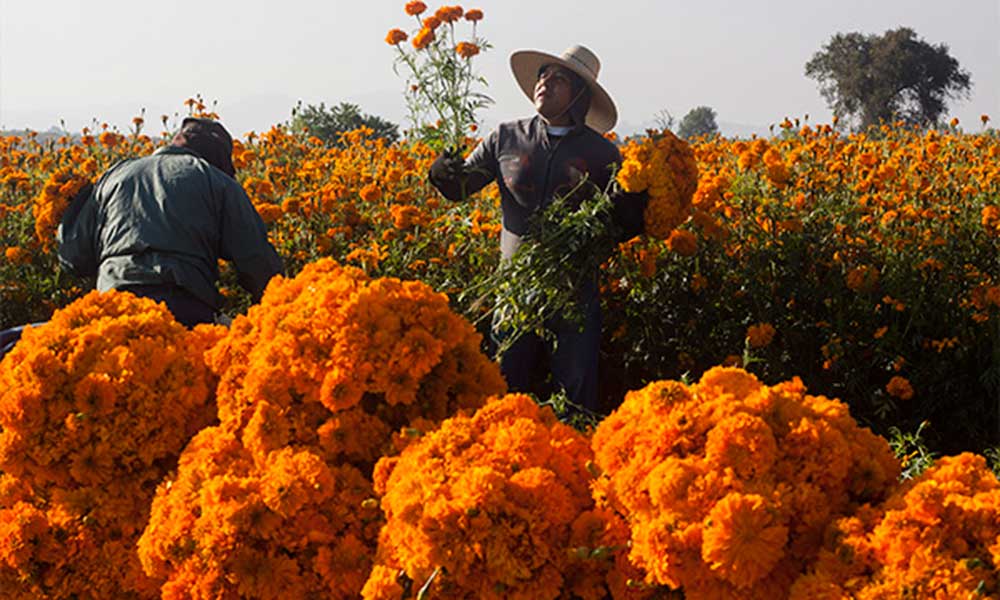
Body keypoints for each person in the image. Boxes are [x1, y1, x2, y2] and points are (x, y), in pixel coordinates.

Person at [428, 45, 646, 414]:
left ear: (579, 94)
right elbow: (462, 188)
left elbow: (615, 226)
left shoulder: (603, 155)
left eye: (558, 77)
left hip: (574, 292)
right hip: (513, 288)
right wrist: (443, 175)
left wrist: (630, 213)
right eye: (542, 74)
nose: (545, 81)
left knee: (575, 394)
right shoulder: (505, 138)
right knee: (502, 385)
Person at [57, 117, 283, 328]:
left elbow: (73, 257)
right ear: (219, 161)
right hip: (184, 307)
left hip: (112, 303)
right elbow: (256, 261)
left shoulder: (115, 175)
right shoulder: (217, 181)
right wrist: (277, 315)